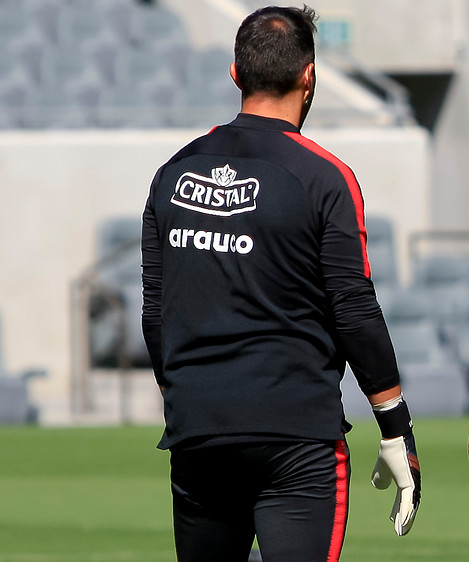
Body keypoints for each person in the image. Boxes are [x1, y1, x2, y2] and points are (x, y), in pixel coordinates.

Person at [140, 6, 420, 561]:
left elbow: (156, 310)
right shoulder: (324, 176)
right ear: (309, 76)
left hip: (198, 433)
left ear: (235, 73)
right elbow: (353, 306)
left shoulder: (173, 173)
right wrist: (395, 428)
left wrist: (187, 396)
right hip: (295, 437)